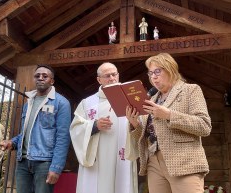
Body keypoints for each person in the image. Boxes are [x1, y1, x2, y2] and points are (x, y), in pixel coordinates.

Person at [125, 53, 211, 193]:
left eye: (157, 71)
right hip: (154, 163)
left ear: (170, 69)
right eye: (151, 73)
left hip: (184, 163)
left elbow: (204, 126)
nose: (153, 76)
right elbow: (146, 135)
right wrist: (135, 124)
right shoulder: (151, 100)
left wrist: (169, 115)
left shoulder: (191, 90)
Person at [0, 65, 71, 193]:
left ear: (52, 81)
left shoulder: (61, 103)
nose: (40, 78)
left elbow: (63, 137)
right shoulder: (29, 103)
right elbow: (26, 132)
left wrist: (56, 167)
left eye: (45, 76)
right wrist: (12, 142)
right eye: (37, 76)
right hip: (23, 162)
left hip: (44, 163)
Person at [70, 62, 138, 193]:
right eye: (107, 75)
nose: (112, 78)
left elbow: (141, 126)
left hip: (122, 156)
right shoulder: (87, 103)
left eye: (114, 74)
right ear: (99, 79)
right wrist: (94, 126)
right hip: (98, 160)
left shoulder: (130, 100)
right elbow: (75, 129)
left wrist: (135, 123)